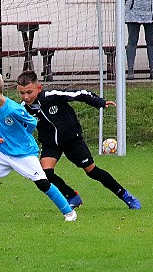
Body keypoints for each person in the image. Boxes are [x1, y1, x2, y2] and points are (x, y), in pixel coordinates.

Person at [16, 70, 141, 210]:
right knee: (45, 174)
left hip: (71, 140)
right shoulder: (22, 109)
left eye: (29, 92)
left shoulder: (52, 96)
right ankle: (72, 196)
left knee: (92, 172)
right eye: (22, 93)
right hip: (51, 144)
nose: (26, 97)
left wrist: (100, 102)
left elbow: (79, 94)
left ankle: (125, 195)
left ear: (38, 88)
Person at [0, 71, 77, 221]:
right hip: (2, 151)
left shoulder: (14, 109)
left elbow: (33, 122)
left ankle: (69, 213)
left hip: (24, 153)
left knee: (42, 184)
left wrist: (22, 137)